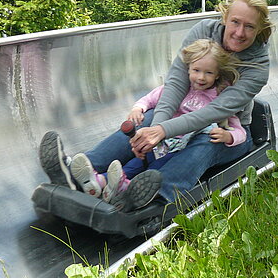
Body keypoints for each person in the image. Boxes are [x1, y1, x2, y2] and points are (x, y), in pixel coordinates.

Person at [39, 0, 274, 211]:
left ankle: (152, 194)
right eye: (235, 22)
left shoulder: (258, 66)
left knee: (207, 139)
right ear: (225, 17)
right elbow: (175, 83)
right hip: (183, 114)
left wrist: (162, 132)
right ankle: (80, 171)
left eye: (249, 26)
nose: (240, 32)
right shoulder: (203, 32)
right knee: (148, 118)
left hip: (227, 132)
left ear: (260, 28)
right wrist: (155, 130)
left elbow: (215, 111)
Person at [66, 38, 247, 210]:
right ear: (188, 69)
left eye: (208, 73)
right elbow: (151, 99)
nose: (201, 77)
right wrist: (138, 108)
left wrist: (228, 136)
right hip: (160, 142)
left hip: (181, 150)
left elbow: (239, 129)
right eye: (196, 70)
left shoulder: (219, 98)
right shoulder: (179, 87)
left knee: (152, 172)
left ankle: (128, 190)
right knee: (136, 164)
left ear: (217, 75)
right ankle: (99, 183)